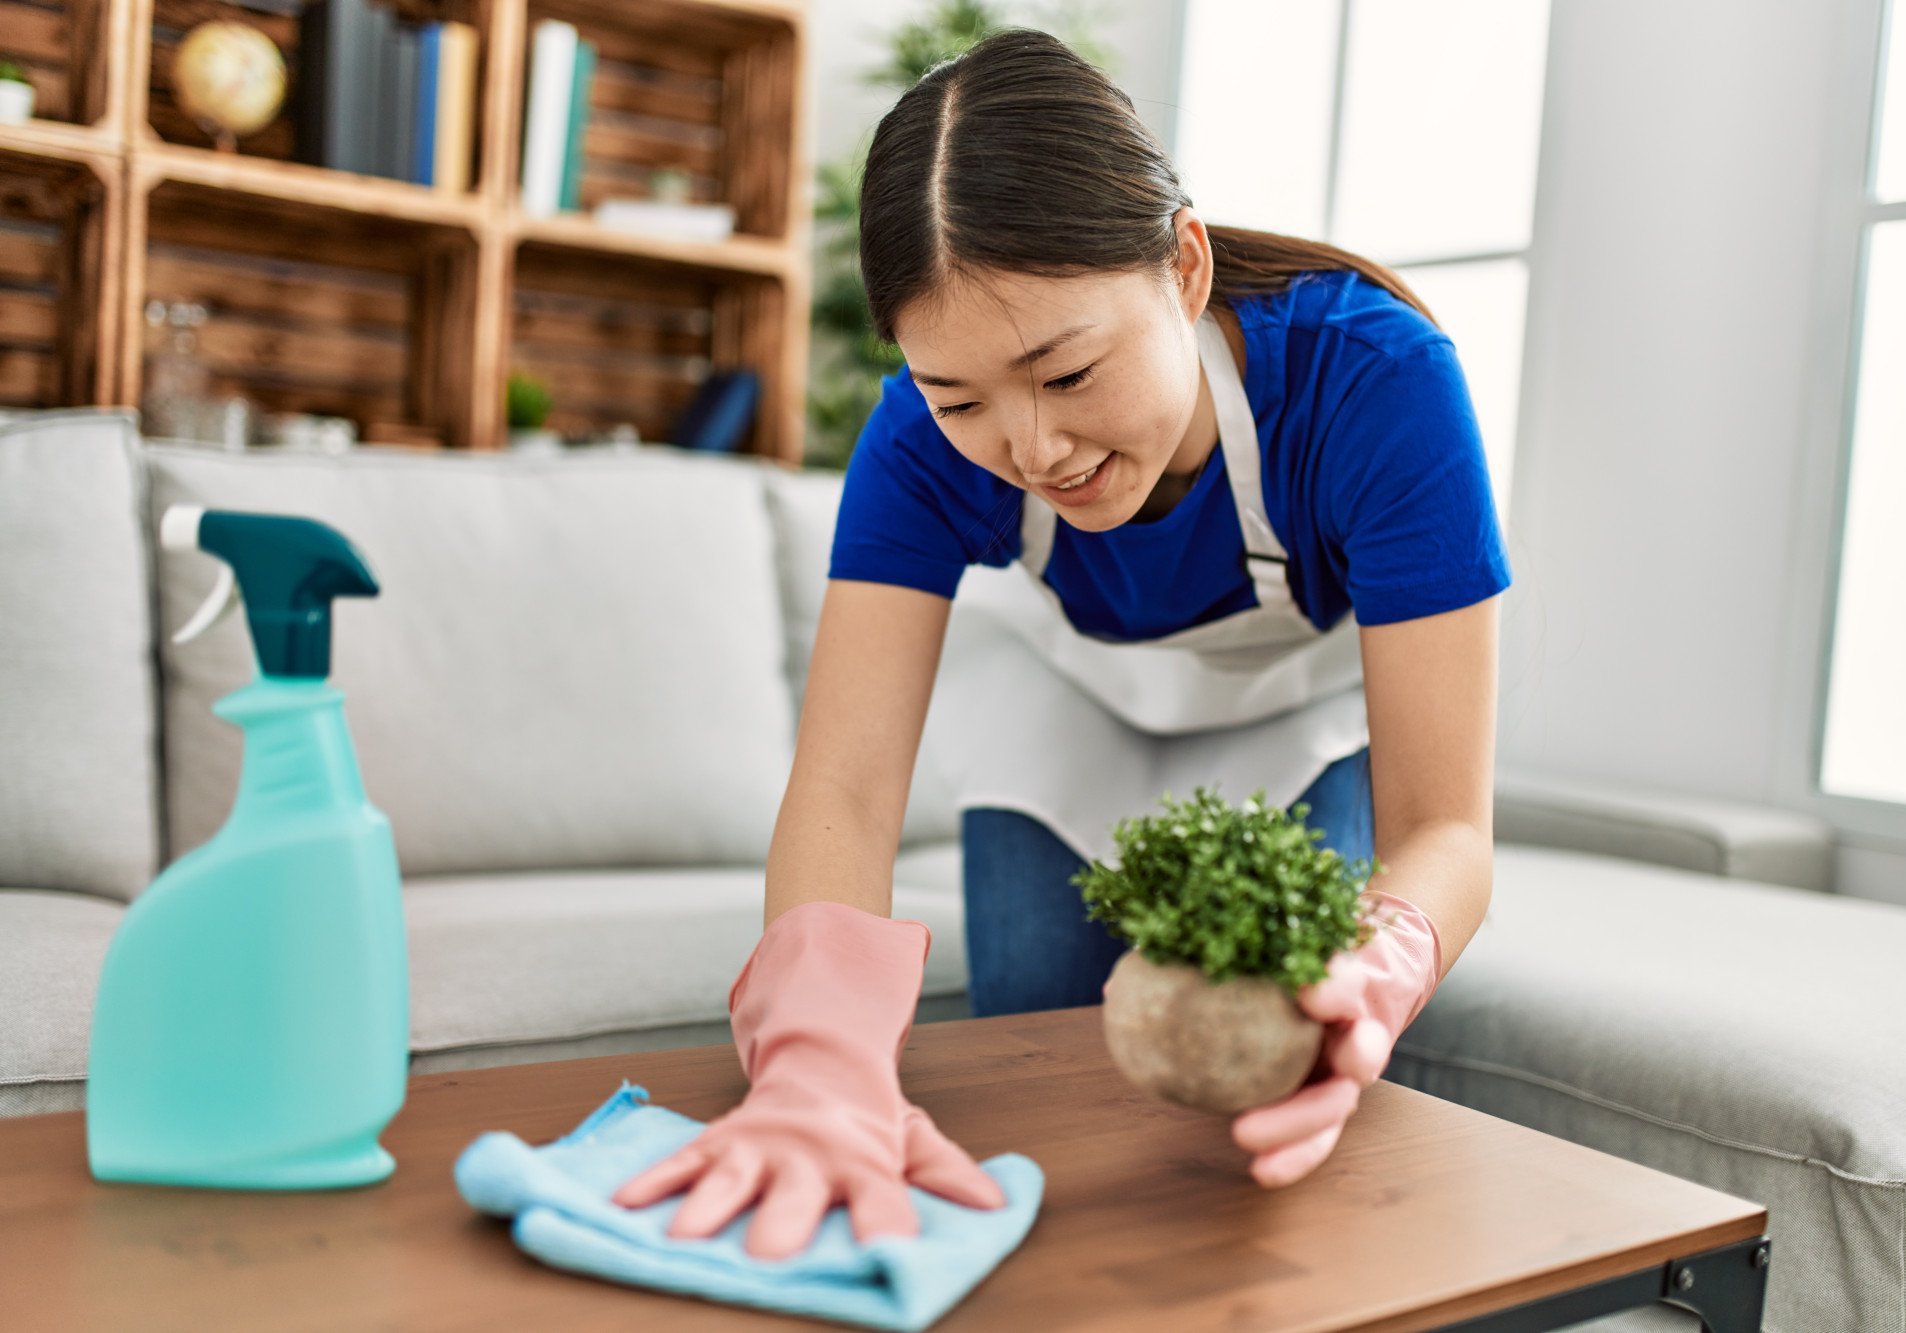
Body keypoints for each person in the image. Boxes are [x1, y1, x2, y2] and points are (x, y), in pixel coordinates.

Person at [610, 27, 1512, 1262]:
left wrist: (1388, 955)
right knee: (1041, 1093)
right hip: (1073, 714)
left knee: (1270, 1088)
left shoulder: (1374, 382)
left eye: (1067, 371)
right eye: (961, 398)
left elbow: (1445, 829)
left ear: (1182, 267)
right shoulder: (915, 442)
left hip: (1298, 727)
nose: (1031, 449)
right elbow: (845, 786)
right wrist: (810, 1055)